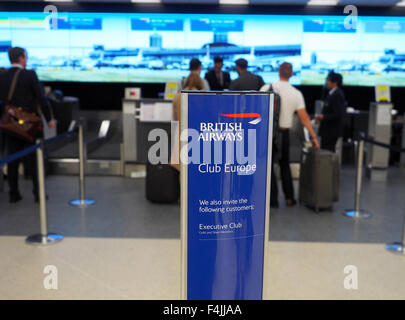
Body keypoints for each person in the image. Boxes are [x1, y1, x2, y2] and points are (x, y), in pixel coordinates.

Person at [0, 47, 55, 203]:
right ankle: (38, 194)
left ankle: (13, 194)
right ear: (22, 58)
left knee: (12, 159)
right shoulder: (29, 75)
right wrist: (49, 118)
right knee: (35, 159)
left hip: (10, 125)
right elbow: (41, 99)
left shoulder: (2, 77)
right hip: (29, 126)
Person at [261, 62, 320, 208]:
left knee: (268, 167)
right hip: (284, 134)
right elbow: (304, 118)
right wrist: (314, 138)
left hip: (267, 134)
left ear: (278, 72)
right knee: (284, 165)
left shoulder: (266, 88)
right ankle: (289, 198)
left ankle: (272, 200)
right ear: (292, 74)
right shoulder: (296, 94)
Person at [171, 73, 204, 172]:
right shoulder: (202, 97)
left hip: (180, 136)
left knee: (182, 171)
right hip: (197, 136)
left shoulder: (177, 97)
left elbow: (174, 118)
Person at [315, 72, 346, 153]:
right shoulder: (331, 94)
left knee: (328, 153)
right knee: (325, 152)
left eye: (328, 80)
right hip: (327, 131)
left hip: (331, 131)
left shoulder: (337, 95)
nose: (326, 82)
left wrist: (323, 117)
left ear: (335, 82)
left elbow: (338, 114)